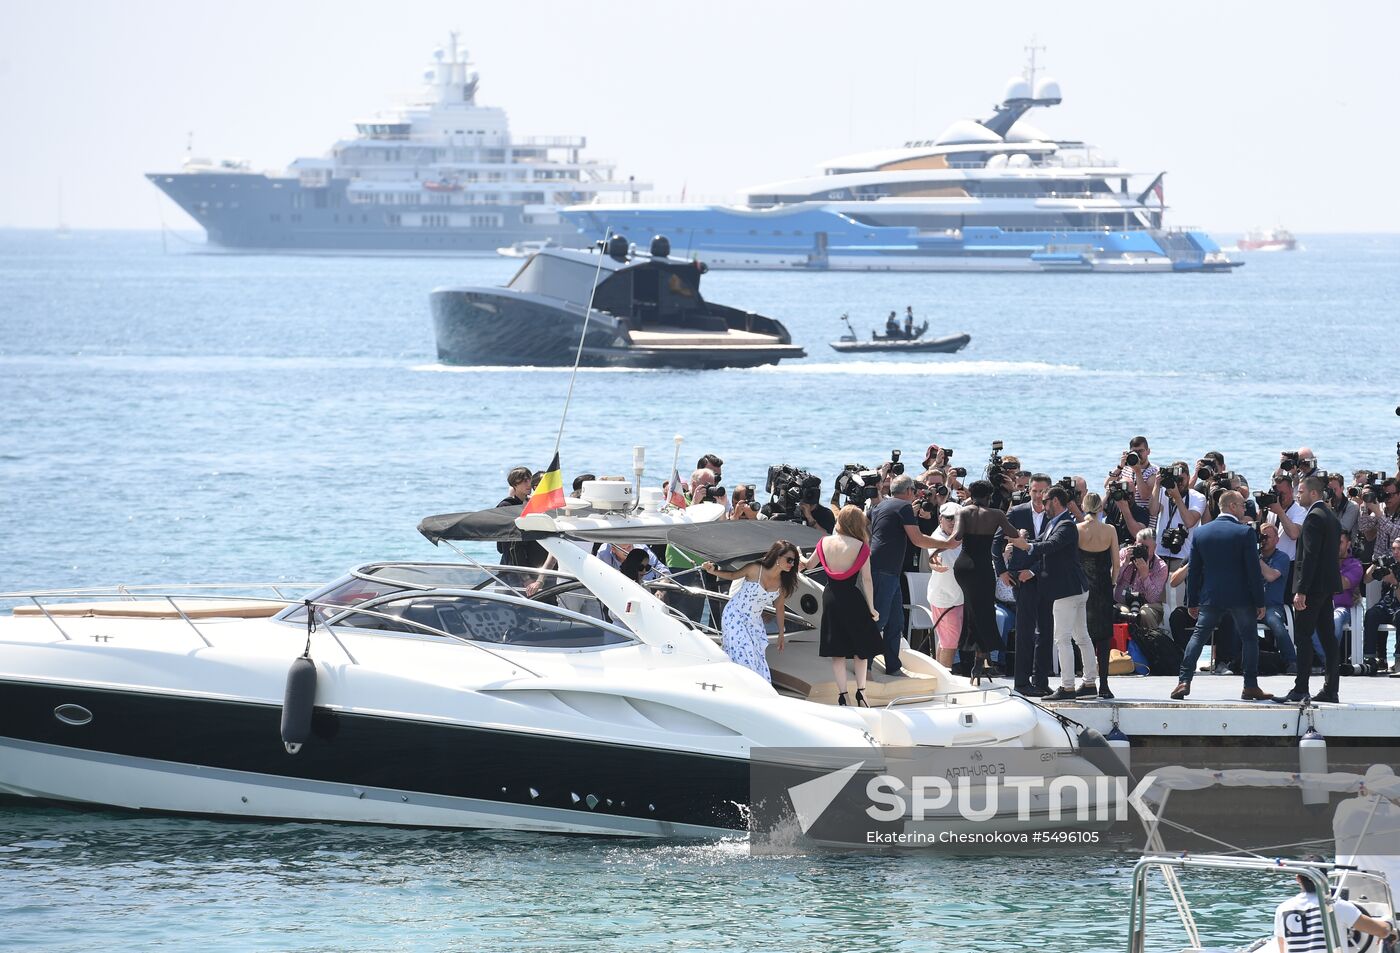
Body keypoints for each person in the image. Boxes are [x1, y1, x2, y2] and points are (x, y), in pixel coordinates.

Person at [1172, 490, 1273, 701]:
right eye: (1242, 505)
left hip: (1211, 596)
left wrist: (1193, 600)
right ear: (1232, 506)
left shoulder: (1201, 533)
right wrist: (1259, 601)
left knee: (1198, 636)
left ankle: (1184, 680)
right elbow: (1253, 571)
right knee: (1249, 639)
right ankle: (1250, 685)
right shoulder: (1244, 533)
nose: (1245, 509)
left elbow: (1195, 571)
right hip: (1241, 596)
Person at [1009, 486, 1096, 700]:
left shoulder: (1066, 525)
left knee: (1063, 639)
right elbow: (1041, 541)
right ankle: (1089, 683)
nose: (1042, 504)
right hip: (1073, 589)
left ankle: (1067, 687)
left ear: (1055, 501)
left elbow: (1050, 545)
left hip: (1067, 590)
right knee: (1081, 636)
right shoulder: (1055, 523)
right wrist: (1023, 542)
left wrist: (1026, 546)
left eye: (1046, 501)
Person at [869, 474, 953, 677]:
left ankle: (893, 666)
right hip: (885, 570)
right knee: (880, 620)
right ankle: (864, 664)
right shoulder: (904, 507)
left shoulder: (881, 506)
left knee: (895, 621)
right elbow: (918, 540)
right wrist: (947, 544)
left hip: (885, 569)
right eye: (914, 492)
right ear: (908, 492)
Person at [803, 506, 882, 706]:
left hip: (831, 597)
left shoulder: (823, 542)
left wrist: (797, 554)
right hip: (853, 599)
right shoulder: (861, 546)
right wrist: (872, 608)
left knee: (836, 649)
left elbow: (808, 565)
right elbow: (867, 580)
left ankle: (843, 695)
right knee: (861, 649)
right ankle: (862, 694)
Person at [951, 480, 1019, 683]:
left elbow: (956, 537)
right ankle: (981, 659)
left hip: (963, 567)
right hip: (982, 568)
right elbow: (1013, 533)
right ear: (989, 496)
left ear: (971, 494)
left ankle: (975, 660)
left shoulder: (964, 512)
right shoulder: (996, 514)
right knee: (984, 612)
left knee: (971, 611)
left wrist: (936, 549)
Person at [702, 541, 799, 682]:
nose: (792, 563)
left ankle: (751, 689)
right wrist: (713, 571)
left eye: (794, 561)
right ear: (778, 557)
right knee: (744, 652)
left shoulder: (783, 583)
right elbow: (732, 575)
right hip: (734, 614)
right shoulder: (755, 569)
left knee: (757, 659)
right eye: (789, 559)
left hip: (754, 623)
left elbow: (779, 608)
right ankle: (741, 685)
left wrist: (781, 634)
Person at [994, 473, 1055, 697]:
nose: (1038, 496)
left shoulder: (1055, 514)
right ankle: (1021, 681)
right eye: (1034, 491)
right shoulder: (1017, 512)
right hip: (1021, 579)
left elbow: (1054, 548)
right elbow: (996, 541)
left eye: (1042, 491)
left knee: (1046, 631)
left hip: (1045, 578)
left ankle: (1041, 680)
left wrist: (1034, 571)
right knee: (1025, 631)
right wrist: (1001, 570)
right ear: (1028, 491)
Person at [1284, 475, 1343, 704]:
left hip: (1312, 588)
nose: (1298, 495)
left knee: (1303, 636)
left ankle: (1301, 688)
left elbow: (1309, 558)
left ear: (1314, 494)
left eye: (1301, 491)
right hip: (1326, 588)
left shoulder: (1314, 518)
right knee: (1328, 638)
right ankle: (1331, 689)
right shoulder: (1330, 516)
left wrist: (1301, 590)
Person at [1273, 867, 1396, 953]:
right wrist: (1389, 924)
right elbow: (1382, 931)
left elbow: (1282, 948)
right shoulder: (1337, 906)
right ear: (1324, 878)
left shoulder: (1282, 909)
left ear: (1298, 879)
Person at [1078, 493, 1120, 699]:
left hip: (1083, 587)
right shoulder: (1109, 530)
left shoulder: (1078, 529)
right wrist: (1111, 583)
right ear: (1100, 508)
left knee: (1083, 635)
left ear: (1083, 506)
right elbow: (1116, 563)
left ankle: (1087, 680)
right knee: (1103, 637)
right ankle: (1104, 685)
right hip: (1103, 586)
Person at [926, 501, 966, 670]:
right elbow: (935, 559)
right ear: (940, 518)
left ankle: (940, 677)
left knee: (946, 642)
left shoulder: (962, 535)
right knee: (949, 644)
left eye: (958, 518)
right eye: (949, 518)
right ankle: (945, 682)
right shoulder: (937, 538)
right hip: (945, 599)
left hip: (957, 597)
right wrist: (934, 564)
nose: (953, 522)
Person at [1257, 522, 1298, 674]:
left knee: (1277, 625)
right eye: (1262, 536)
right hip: (1253, 605)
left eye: (1268, 536)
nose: (1264, 539)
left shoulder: (1282, 557)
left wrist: (1254, 558)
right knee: (1233, 621)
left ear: (1276, 540)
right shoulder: (1254, 556)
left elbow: (1271, 576)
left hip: (1272, 606)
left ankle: (1291, 661)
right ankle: (1232, 660)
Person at [1115, 528, 1170, 639]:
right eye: (1139, 547)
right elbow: (1112, 580)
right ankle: (1121, 648)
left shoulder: (1160, 566)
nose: (1142, 551)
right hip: (1123, 601)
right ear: (1135, 543)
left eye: (1146, 548)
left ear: (1155, 547)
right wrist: (1124, 564)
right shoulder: (1124, 554)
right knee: (1123, 613)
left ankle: (1152, 644)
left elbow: (1152, 598)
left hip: (1148, 604)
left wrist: (1145, 576)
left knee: (1145, 614)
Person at [496, 466, 548, 569]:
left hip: (533, 560)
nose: (529, 484)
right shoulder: (507, 506)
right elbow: (506, 543)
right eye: (524, 481)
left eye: (530, 480)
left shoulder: (532, 503)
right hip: (512, 563)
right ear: (514, 484)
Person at [1362, 537, 1400, 671]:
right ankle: (1370, 658)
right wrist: (1374, 563)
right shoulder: (1389, 564)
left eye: (1399, 549)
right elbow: (1366, 580)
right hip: (1386, 605)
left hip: (1398, 608)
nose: (1396, 552)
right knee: (1371, 614)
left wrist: (1394, 582)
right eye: (1394, 549)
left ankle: (1398, 660)